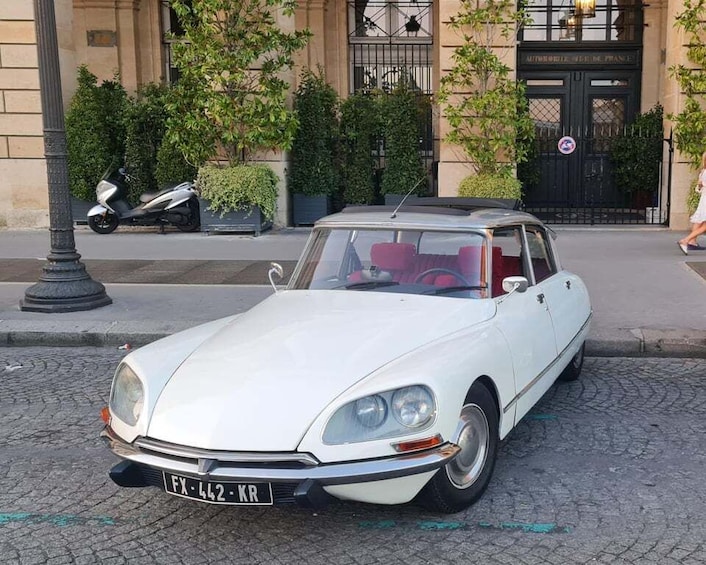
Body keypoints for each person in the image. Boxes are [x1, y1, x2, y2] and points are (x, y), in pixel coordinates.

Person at [678, 151, 706, 255]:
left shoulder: (703, 171)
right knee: (703, 224)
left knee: (699, 221)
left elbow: (699, 188)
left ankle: (691, 241)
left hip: (704, 199)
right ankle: (686, 240)